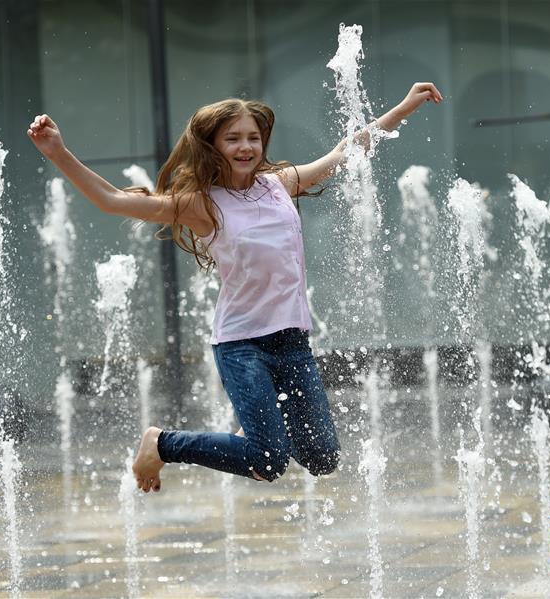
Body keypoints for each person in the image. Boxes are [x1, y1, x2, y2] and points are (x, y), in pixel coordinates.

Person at [27, 81, 443, 493]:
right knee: (269, 460)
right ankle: (162, 443)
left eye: (253, 138)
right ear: (213, 145)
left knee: (322, 458)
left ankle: (260, 423)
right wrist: (57, 152)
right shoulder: (201, 203)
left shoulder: (279, 184)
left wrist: (404, 107)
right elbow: (113, 200)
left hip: (293, 341)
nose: (246, 147)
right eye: (233, 139)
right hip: (243, 345)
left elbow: (345, 152)